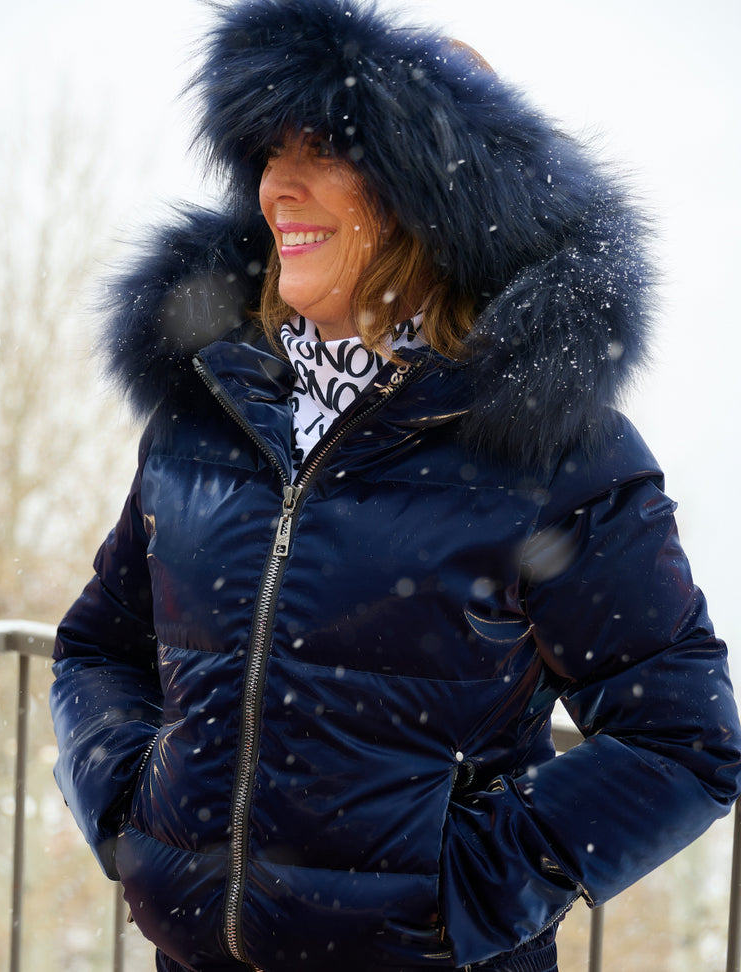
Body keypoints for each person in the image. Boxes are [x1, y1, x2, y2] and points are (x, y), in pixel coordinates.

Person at [49, 1, 741, 970]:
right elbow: (98, 647)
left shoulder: (551, 452)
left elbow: (680, 741)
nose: (278, 187)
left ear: (436, 195)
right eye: (269, 152)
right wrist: (129, 811)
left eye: (326, 151)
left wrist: (459, 894)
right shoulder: (209, 411)